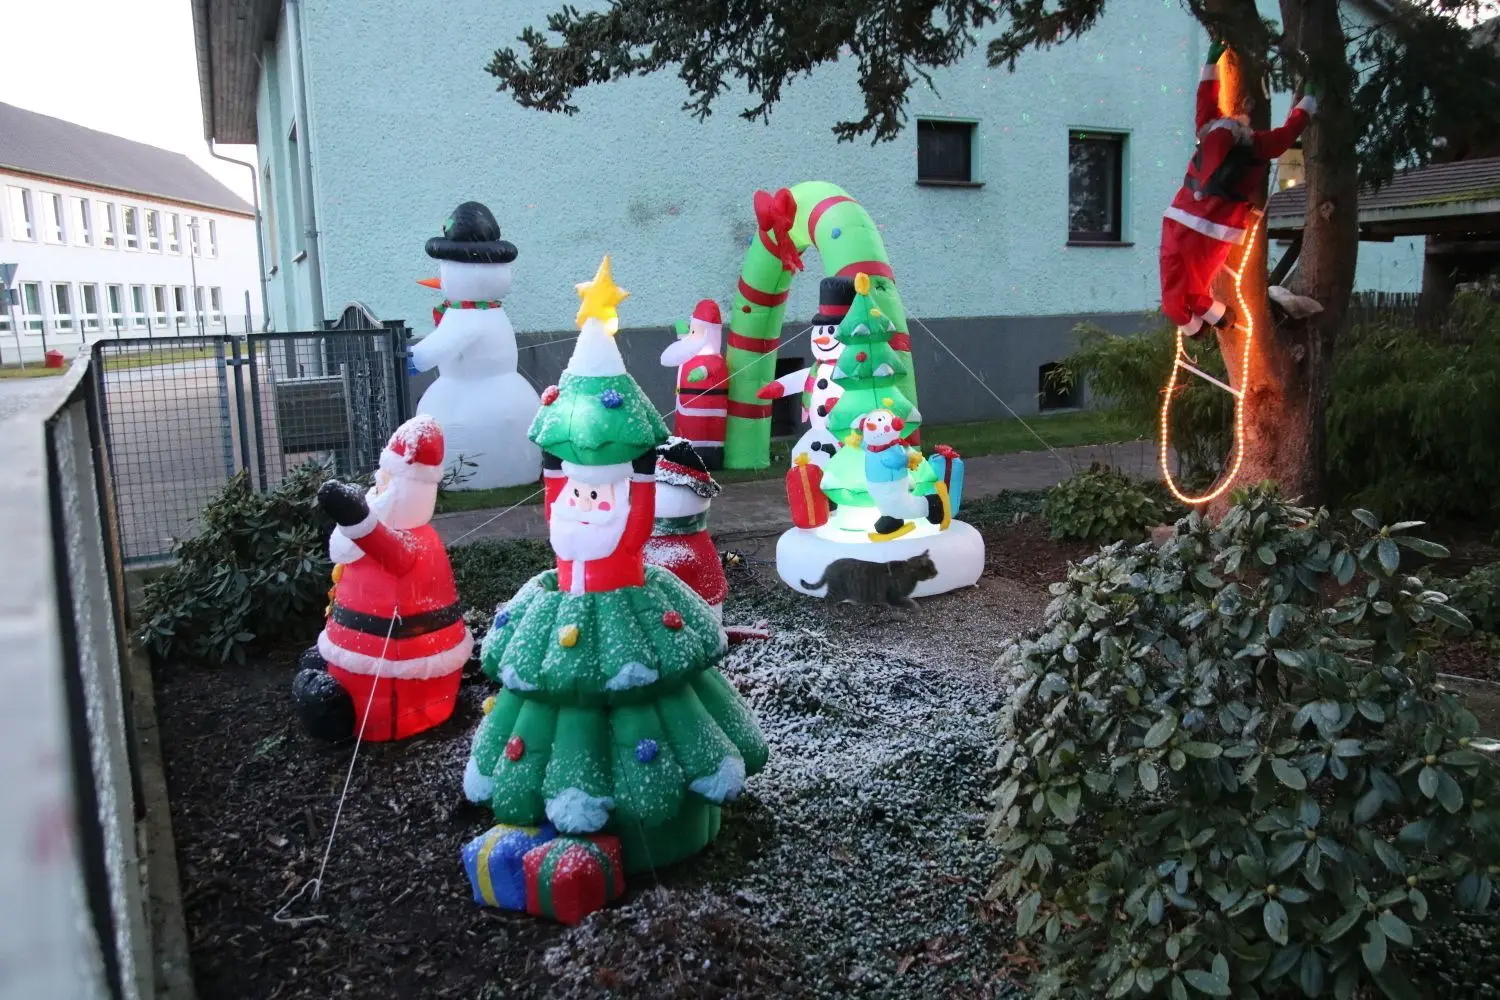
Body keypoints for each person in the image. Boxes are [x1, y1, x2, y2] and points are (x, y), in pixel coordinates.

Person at [1160, 40, 1317, 338]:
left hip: (1183, 216)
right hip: (1213, 227)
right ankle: (1211, 317)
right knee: (1188, 283)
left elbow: (1204, 98)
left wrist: (1211, 62)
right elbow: (1288, 134)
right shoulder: (1255, 145)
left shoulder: (1209, 129)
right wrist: (1308, 102)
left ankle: (1205, 320)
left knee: (1182, 281)